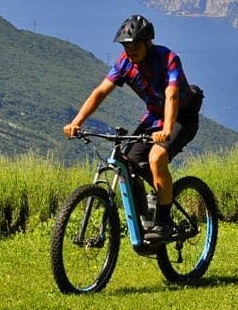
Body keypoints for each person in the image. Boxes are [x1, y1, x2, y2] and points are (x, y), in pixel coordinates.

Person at [64, 14, 202, 240]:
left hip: (180, 118)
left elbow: (172, 95)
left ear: (148, 42)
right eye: (126, 46)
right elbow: (100, 92)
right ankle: (147, 214)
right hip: (154, 119)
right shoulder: (125, 63)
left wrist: (167, 130)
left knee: (156, 157)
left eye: (135, 45)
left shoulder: (168, 58)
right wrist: (76, 122)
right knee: (126, 164)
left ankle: (164, 223)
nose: (130, 51)